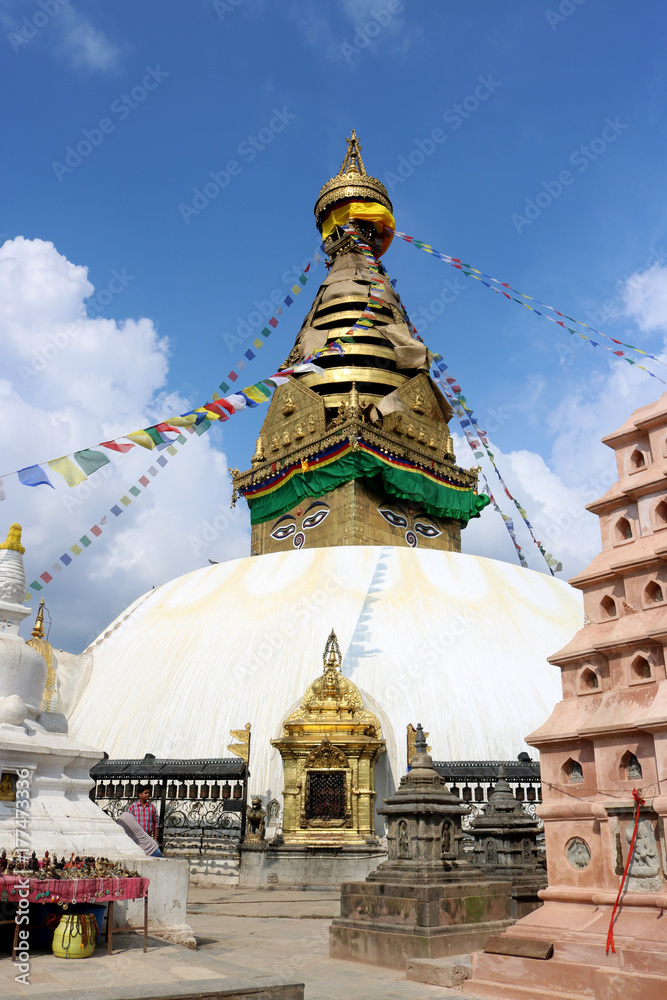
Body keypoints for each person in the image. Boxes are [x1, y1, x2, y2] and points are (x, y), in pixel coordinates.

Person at [127, 784, 161, 856]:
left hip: (148, 838)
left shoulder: (152, 808)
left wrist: (155, 839)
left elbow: (156, 823)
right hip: (136, 839)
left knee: (157, 854)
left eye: (148, 793)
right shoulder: (132, 808)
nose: (148, 795)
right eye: (145, 793)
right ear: (140, 794)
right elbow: (128, 823)